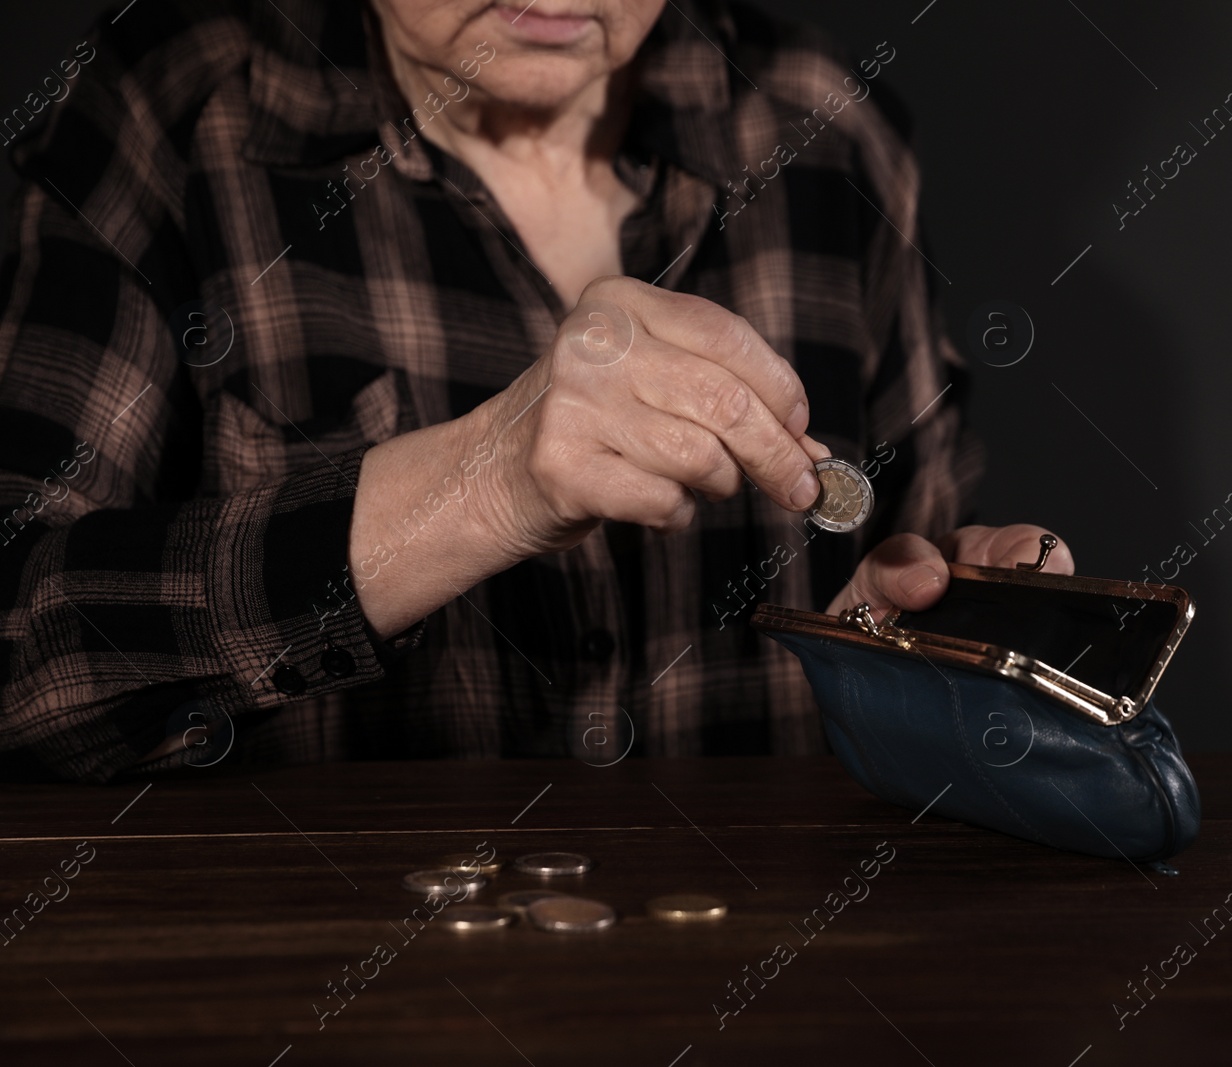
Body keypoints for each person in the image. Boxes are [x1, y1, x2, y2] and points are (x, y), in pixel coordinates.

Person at [0, 0, 1071, 783]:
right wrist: (477, 486)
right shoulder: (168, 116)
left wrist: (927, 655)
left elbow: (922, 617)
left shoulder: (832, 137)